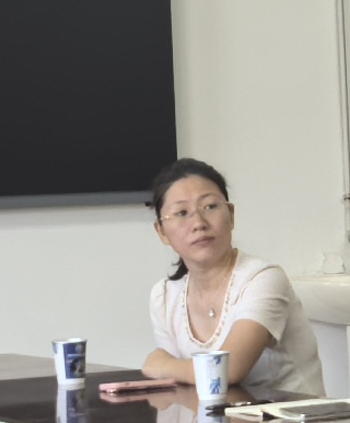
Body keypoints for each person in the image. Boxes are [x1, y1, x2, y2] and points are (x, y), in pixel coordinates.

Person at [124, 156, 319, 403]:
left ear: (231, 215)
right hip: (218, 422)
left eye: (210, 207)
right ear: (161, 232)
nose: (198, 223)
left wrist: (162, 365)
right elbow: (177, 390)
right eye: (182, 213)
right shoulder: (164, 297)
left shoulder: (263, 279)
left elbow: (228, 370)